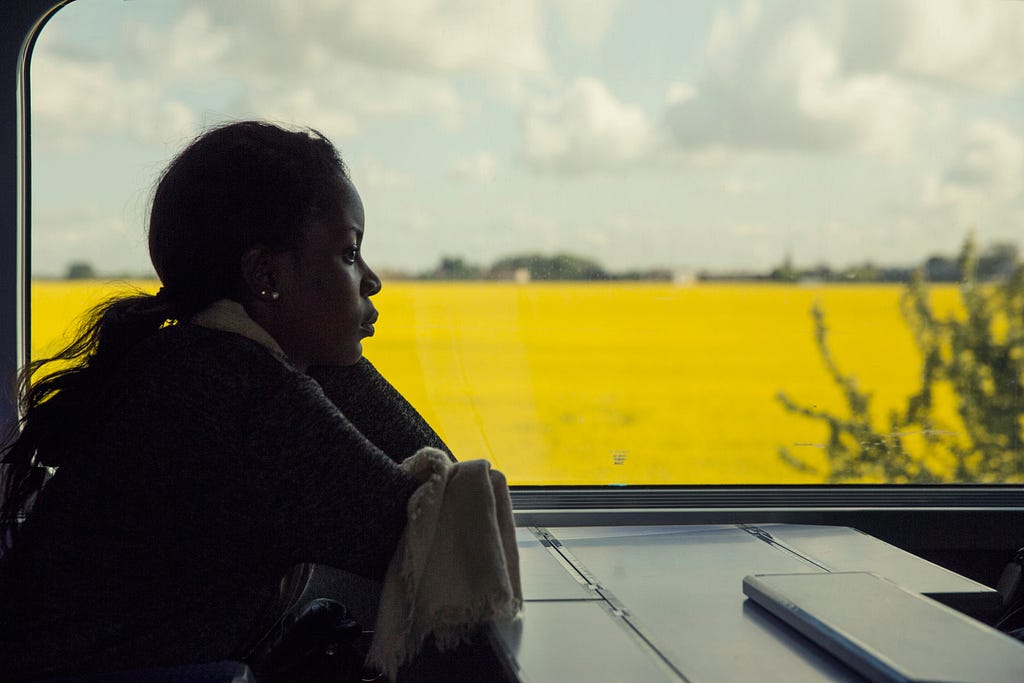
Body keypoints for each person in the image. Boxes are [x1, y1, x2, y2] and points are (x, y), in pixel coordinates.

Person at [0, 121, 459, 680]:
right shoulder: (235, 393)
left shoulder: (200, 360)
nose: (372, 281)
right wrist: (337, 359)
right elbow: (442, 534)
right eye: (348, 254)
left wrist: (314, 347)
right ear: (265, 274)